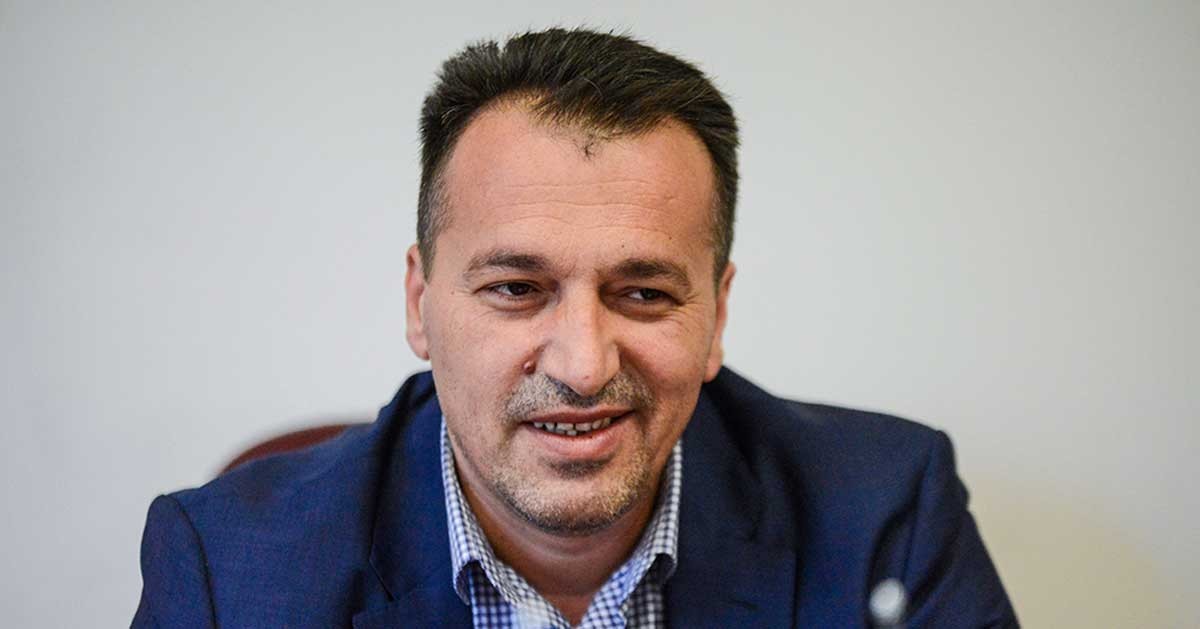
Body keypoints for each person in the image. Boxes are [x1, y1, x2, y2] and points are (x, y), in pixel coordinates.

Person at [133, 28, 1017, 628]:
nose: (585, 365)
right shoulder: (230, 571)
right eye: (517, 288)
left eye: (644, 293)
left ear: (717, 315)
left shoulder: (886, 517)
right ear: (419, 303)